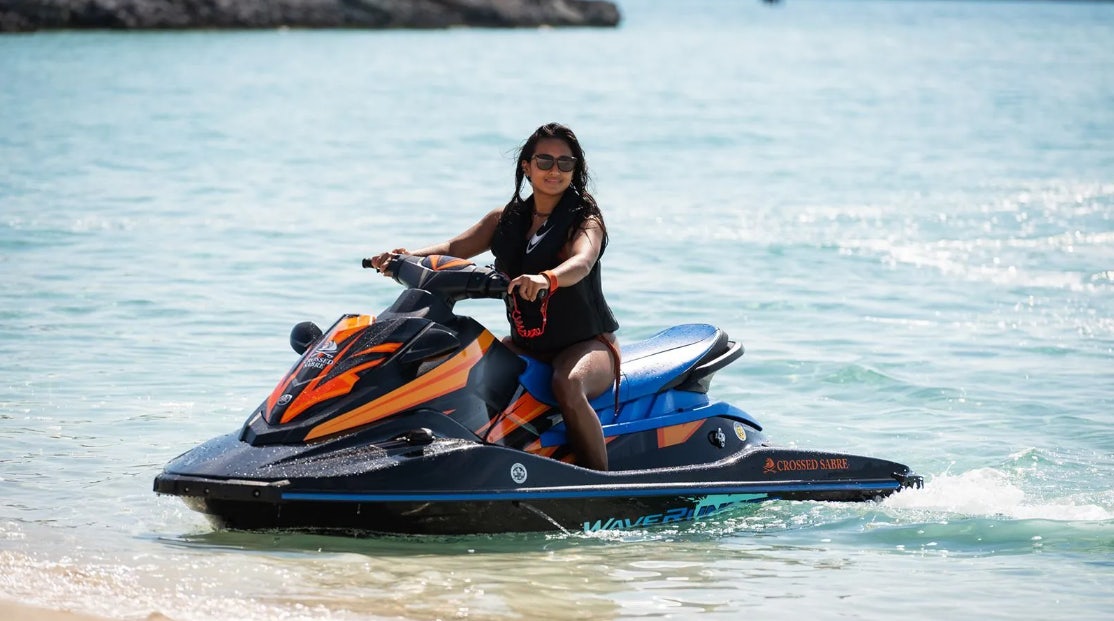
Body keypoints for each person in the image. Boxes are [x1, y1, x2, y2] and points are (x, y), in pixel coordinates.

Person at [368, 122, 619, 471]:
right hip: (527, 344)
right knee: (468, 371)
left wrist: (547, 278)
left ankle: (598, 482)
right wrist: (403, 258)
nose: (554, 171)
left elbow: (582, 261)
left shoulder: (585, 220)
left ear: (575, 170)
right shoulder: (505, 220)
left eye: (566, 163)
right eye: (544, 161)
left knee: (567, 384)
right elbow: (454, 248)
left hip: (586, 346)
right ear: (526, 166)